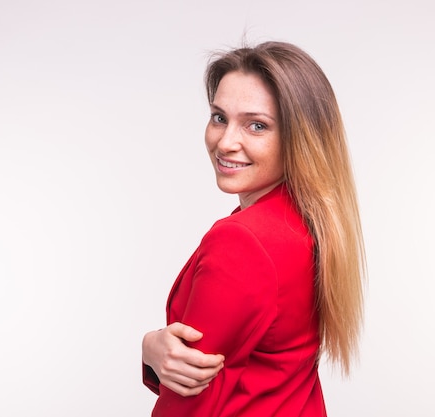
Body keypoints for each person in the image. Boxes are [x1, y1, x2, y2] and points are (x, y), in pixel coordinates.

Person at [141, 41, 365, 416]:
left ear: (300, 137)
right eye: (219, 117)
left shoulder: (243, 241)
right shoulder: (305, 222)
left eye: (256, 125)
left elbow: (190, 396)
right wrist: (153, 349)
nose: (226, 142)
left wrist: (149, 351)